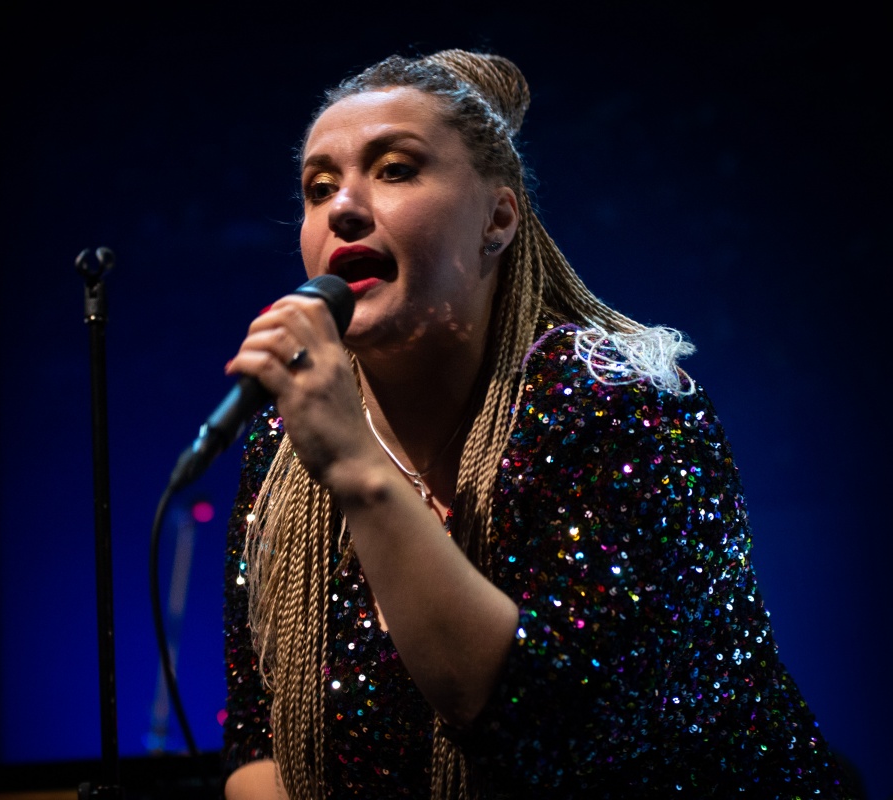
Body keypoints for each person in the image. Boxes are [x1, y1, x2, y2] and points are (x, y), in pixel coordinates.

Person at [218, 49, 855, 799]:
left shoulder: (619, 403)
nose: (343, 207)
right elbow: (257, 744)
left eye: (395, 170)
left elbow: (544, 726)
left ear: (497, 219)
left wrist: (359, 471)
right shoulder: (285, 450)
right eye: (319, 188)